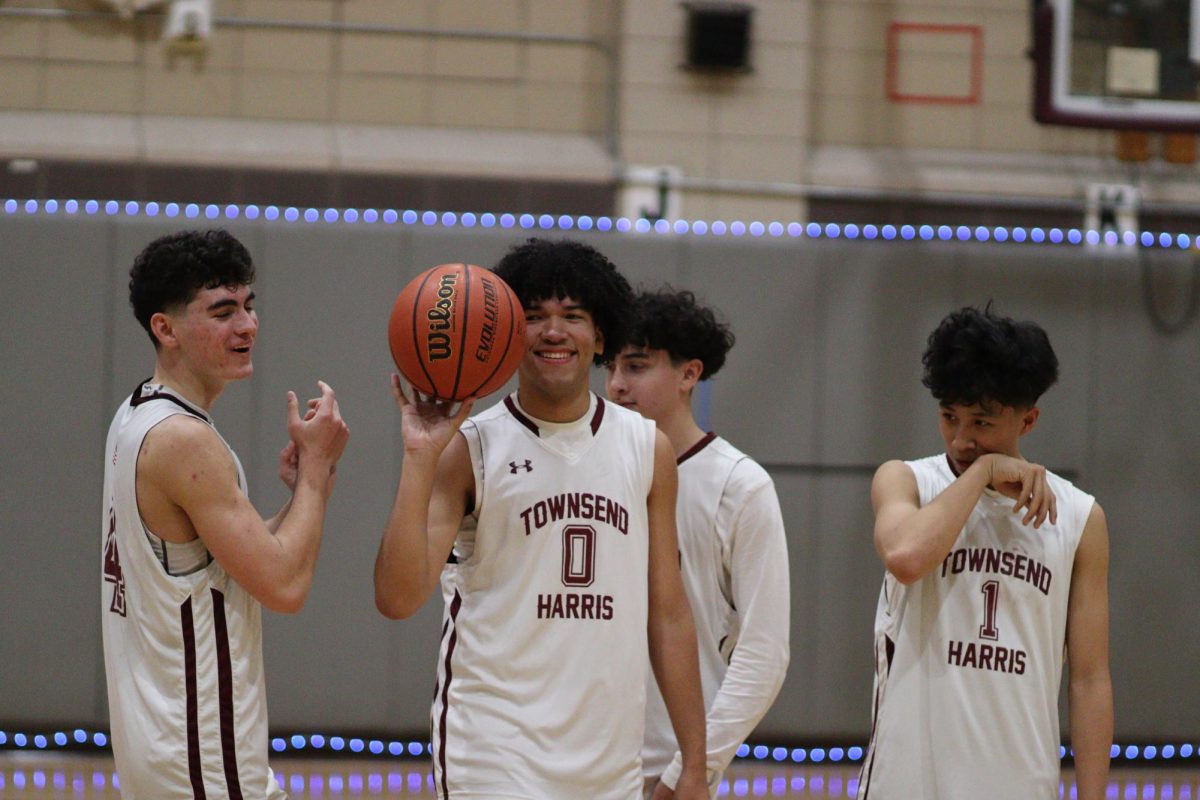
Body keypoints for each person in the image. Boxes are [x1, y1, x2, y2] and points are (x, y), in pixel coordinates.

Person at [373, 237, 709, 800]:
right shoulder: (471, 448)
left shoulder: (647, 449)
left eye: (572, 316)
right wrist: (419, 459)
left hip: (608, 759)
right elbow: (397, 597)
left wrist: (694, 762)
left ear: (600, 334)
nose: (553, 332)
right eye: (533, 317)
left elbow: (669, 614)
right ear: (504, 332)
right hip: (493, 748)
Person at [101, 229, 349, 799]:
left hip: (163, 749)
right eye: (222, 311)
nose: (246, 326)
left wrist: (307, 494)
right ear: (165, 329)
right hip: (201, 756)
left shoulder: (136, 414)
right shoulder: (185, 441)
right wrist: (313, 470)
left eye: (248, 305)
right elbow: (283, 586)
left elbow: (219, 569)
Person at [857, 305, 1112, 800]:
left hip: (1020, 782)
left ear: (1029, 419)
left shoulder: (1082, 519)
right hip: (907, 782)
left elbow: (1089, 679)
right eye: (949, 416)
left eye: (982, 422)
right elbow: (905, 557)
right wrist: (982, 472)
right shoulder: (906, 480)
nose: (960, 438)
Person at [605, 289, 791, 799]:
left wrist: (692, 768)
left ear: (689, 374)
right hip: (575, 759)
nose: (617, 385)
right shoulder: (585, 471)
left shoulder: (739, 486)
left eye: (636, 366)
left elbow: (764, 653)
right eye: (611, 367)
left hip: (667, 770)